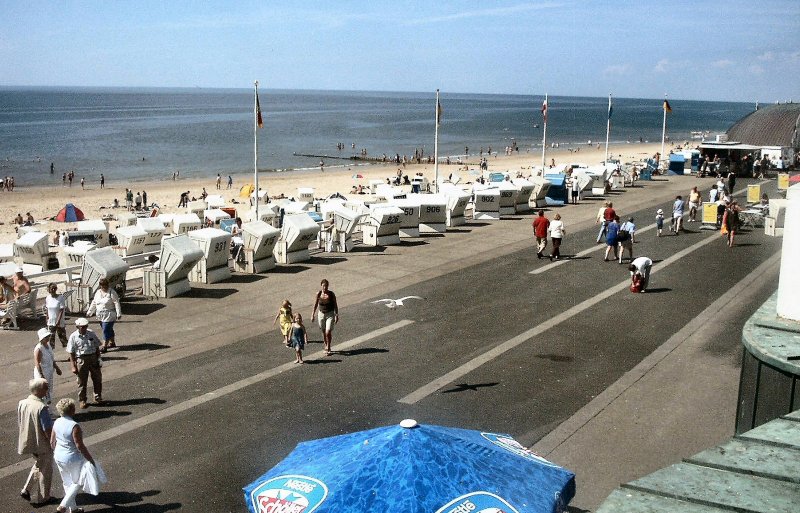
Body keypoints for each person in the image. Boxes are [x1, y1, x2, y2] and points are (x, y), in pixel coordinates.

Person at [52, 397, 101, 513]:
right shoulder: (74, 426)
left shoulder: (56, 422)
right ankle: (62, 506)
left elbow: (52, 441)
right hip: (72, 458)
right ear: (71, 410)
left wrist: (57, 452)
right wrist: (90, 459)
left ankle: (73, 509)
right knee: (79, 481)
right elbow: (79, 445)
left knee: (67, 482)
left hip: (58, 456)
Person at [18, 378, 54, 506]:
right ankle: (44, 497)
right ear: (39, 390)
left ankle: (26, 490)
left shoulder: (22, 403)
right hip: (42, 443)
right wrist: (53, 442)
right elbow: (47, 429)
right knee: (46, 470)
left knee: (39, 465)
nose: (47, 390)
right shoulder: (42, 407)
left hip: (29, 441)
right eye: (45, 388)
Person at [66, 318, 103, 409]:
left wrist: (99, 358)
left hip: (93, 357)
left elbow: (97, 346)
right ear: (77, 327)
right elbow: (71, 352)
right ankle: (82, 400)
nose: (84, 328)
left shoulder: (91, 333)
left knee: (97, 378)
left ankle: (97, 396)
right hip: (81, 359)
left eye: (86, 326)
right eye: (82, 327)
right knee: (82, 381)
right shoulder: (73, 337)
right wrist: (73, 366)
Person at [86, 278, 122, 352]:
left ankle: (104, 346)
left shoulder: (111, 292)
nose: (104, 286)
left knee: (105, 330)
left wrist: (118, 313)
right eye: (102, 285)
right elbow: (94, 302)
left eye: (106, 285)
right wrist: (90, 312)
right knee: (108, 329)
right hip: (100, 315)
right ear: (100, 285)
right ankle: (112, 342)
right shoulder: (98, 292)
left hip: (109, 314)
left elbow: (116, 302)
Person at [34, 326, 62, 408]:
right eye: (46, 337)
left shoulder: (48, 345)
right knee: (42, 391)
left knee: (49, 390)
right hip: (42, 373)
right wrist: (41, 375)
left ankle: (48, 409)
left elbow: (51, 358)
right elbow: (37, 363)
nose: (48, 338)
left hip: (49, 371)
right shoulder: (39, 349)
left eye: (48, 336)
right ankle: (43, 409)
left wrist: (57, 368)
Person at [312, 279, 338, 356]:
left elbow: (335, 305)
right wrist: (312, 314)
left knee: (328, 331)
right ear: (321, 286)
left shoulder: (331, 294)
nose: (325, 287)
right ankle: (325, 344)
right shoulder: (318, 294)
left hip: (330, 314)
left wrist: (336, 315)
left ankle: (329, 347)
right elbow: (315, 304)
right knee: (323, 331)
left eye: (326, 286)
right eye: (323, 286)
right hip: (321, 314)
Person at [45, 283, 69, 348]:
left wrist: (58, 321)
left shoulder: (60, 298)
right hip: (51, 322)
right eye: (51, 288)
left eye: (54, 288)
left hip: (59, 322)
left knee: (63, 339)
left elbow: (61, 310)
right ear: (48, 289)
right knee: (50, 340)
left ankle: (70, 354)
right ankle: (51, 356)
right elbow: (47, 309)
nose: (53, 290)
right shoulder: (48, 298)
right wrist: (47, 317)